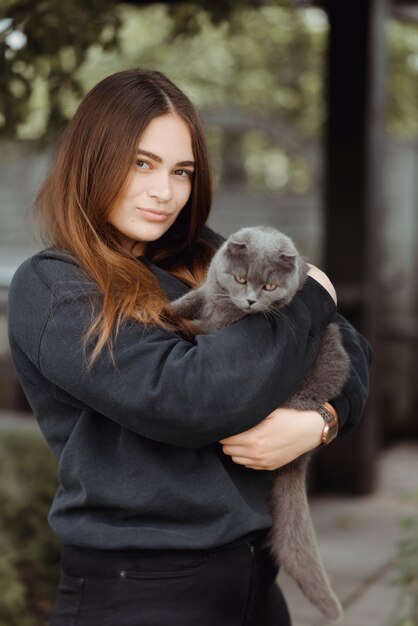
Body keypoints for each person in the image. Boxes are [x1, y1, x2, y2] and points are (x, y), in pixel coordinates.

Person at [7, 68, 371, 626]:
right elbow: (190, 398)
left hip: (252, 580)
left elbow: (345, 344)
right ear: (93, 159)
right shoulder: (55, 285)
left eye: (182, 171)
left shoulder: (204, 254)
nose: (165, 191)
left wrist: (321, 419)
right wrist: (313, 290)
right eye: (142, 163)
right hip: (144, 589)